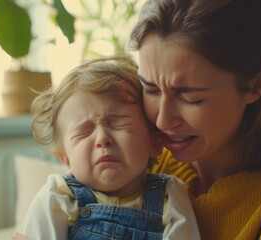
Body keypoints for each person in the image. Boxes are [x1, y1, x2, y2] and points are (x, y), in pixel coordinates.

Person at [128, 0, 261, 239]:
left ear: (256, 84)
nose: (162, 121)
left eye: (191, 98)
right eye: (151, 90)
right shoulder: (142, 162)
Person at [15, 56, 201, 240]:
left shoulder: (170, 195)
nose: (102, 139)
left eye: (118, 124)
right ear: (66, 159)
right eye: (83, 132)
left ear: (154, 142)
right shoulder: (58, 196)